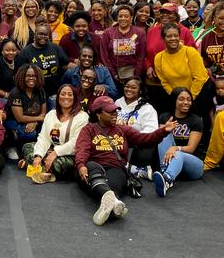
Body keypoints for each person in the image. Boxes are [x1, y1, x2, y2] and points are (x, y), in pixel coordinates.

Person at [75, 96, 176, 226]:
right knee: (92, 171)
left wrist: (162, 131)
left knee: (111, 185)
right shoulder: (88, 129)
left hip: (115, 168)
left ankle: (111, 202)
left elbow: (145, 139)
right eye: (110, 112)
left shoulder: (122, 129)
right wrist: (81, 165)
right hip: (93, 165)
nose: (114, 114)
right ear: (98, 114)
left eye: (115, 111)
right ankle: (113, 202)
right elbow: (82, 150)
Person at [23, 84, 89, 181]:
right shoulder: (50, 114)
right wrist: (38, 156)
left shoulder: (82, 117)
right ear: (58, 97)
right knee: (27, 147)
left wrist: (56, 152)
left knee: (61, 165)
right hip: (51, 149)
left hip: (69, 154)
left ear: (75, 98)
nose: (66, 97)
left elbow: (76, 142)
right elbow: (44, 138)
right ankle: (43, 168)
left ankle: (34, 167)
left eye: (70, 95)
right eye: (63, 94)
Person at [152, 87, 204, 197]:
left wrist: (176, 148)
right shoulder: (165, 117)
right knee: (163, 134)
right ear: (174, 100)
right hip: (172, 163)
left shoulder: (196, 120)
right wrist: (164, 130)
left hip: (194, 166)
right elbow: (159, 140)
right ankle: (165, 172)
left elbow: (191, 148)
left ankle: (167, 178)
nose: (186, 102)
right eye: (181, 99)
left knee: (179, 153)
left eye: (189, 99)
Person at [145, 3, 196, 110]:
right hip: (155, 82)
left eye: (169, 12)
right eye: (163, 12)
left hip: (177, 83)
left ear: (176, 15)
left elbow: (193, 55)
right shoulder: (152, 31)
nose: (165, 15)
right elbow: (145, 52)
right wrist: (148, 66)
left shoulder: (184, 31)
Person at [154, 23, 209, 112]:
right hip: (177, 101)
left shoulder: (190, 52)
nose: (173, 39)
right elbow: (164, 82)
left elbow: (200, 77)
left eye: (176, 36)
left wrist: (188, 99)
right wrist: (176, 98)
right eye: (169, 36)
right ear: (163, 38)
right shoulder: (158, 58)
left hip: (197, 97)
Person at [115, 77, 159, 178]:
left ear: (140, 90)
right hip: (116, 141)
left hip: (136, 146)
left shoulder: (147, 109)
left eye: (133, 87)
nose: (129, 89)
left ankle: (129, 167)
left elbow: (151, 131)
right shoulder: (117, 103)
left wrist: (131, 133)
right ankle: (133, 169)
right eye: (127, 86)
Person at [4, 65, 48, 162]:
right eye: (28, 76)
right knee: (29, 134)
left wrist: (35, 122)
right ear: (22, 77)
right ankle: (12, 147)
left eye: (34, 76)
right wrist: (39, 119)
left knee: (46, 131)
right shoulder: (16, 92)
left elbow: (43, 113)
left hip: (34, 121)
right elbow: (20, 117)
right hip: (14, 121)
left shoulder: (40, 91)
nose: (31, 78)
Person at [17, 24, 71, 97]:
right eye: (40, 34)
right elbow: (20, 76)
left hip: (54, 93)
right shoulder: (25, 53)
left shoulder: (55, 48)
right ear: (34, 34)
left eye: (45, 35)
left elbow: (66, 65)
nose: (43, 37)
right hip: (35, 94)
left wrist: (81, 69)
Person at [99, 4, 146, 88]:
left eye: (126, 16)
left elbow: (141, 56)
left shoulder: (140, 33)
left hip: (133, 75)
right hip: (113, 75)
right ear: (117, 18)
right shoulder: (108, 33)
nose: (123, 18)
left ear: (131, 18)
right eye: (120, 16)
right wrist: (113, 74)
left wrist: (135, 75)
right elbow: (104, 56)